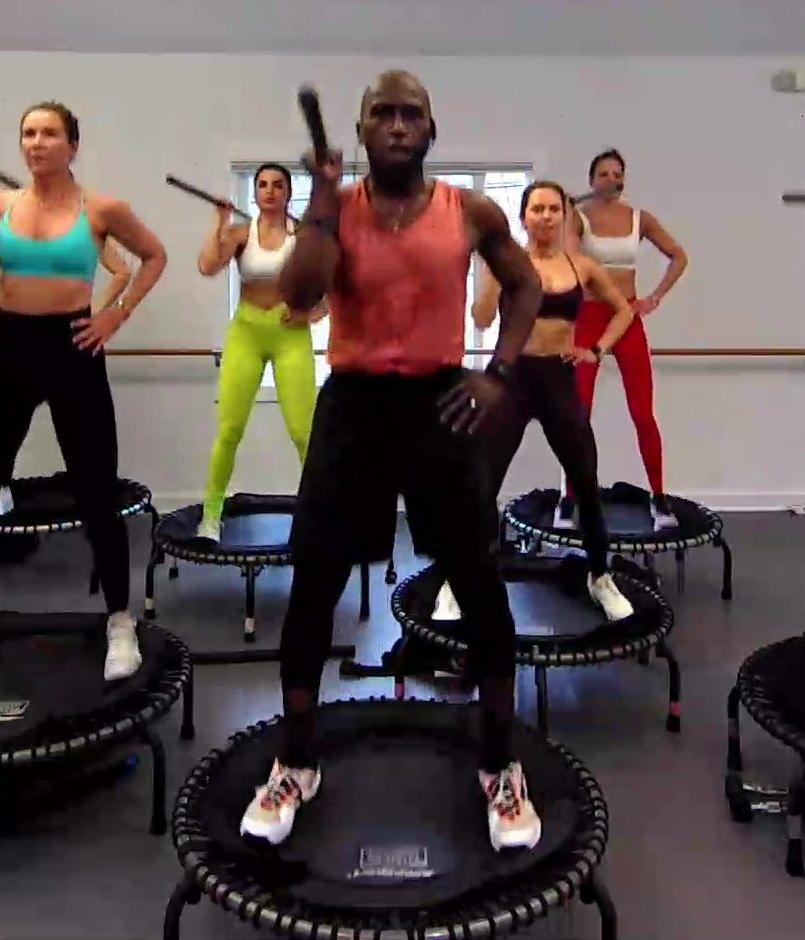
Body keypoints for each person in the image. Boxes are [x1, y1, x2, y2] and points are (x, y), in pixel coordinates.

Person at [238, 70, 546, 852]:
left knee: (477, 579)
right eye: (384, 113)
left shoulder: (469, 211)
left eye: (412, 114)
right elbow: (299, 295)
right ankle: (295, 761)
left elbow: (525, 284)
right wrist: (320, 197)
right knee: (314, 582)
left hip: (441, 402)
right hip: (355, 404)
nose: (399, 125)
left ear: (431, 130)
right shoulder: (337, 208)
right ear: (363, 130)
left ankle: (500, 764)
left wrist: (497, 372)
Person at [0, 101, 168, 686]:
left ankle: (120, 621)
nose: (36, 142)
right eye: (28, 133)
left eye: (49, 133)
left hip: (73, 346)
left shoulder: (101, 208)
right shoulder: (0, 205)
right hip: (10, 345)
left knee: (97, 489)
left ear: (72, 145)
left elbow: (155, 256)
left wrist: (116, 315)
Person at [433, 180, 637, 624]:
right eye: (537, 209)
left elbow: (624, 310)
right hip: (510, 378)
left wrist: (596, 349)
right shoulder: (507, 263)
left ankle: (600, 576)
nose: (545, 216)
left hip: (558, 379)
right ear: (523, 217)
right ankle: (456, 579)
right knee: (481, 481)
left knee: (585, 478)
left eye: (553, 209)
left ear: (564, 215)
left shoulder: (582, 266)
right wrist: (489, 278)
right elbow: (481, 319)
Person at [194, 163, 325, 540]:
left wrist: (312, 313)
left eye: (277, 185)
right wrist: (219, 222)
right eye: (263, 185)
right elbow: (207, 266)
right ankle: (211, 516)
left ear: (288, 193)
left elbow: (335, 282)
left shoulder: (303, 236)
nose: (269, 191)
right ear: (254, 193)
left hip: (290, 336)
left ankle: (320, 516)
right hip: (247, 334)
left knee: (304, 432)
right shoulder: (240, 233)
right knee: (230, 430)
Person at [564, 149, 688, 529]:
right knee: (578, 414)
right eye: (604, 173)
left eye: (617, 173)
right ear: (592, 180)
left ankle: (660, 498)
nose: (611, 179)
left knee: (643, 413)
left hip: (628, 317)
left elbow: (679, 256)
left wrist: (654, 298)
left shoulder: (640, 219)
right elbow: (567, 263)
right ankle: (570, 498)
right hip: (589, 318)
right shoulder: (577, 217)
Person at [0, 239, 135, 517]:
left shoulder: (87, 226)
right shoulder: (19, 227)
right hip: (21, 335)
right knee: (4, 419)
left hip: (71, 335)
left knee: (89, 423)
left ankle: (98, 496)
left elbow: (123, 271)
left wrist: (96, 314)